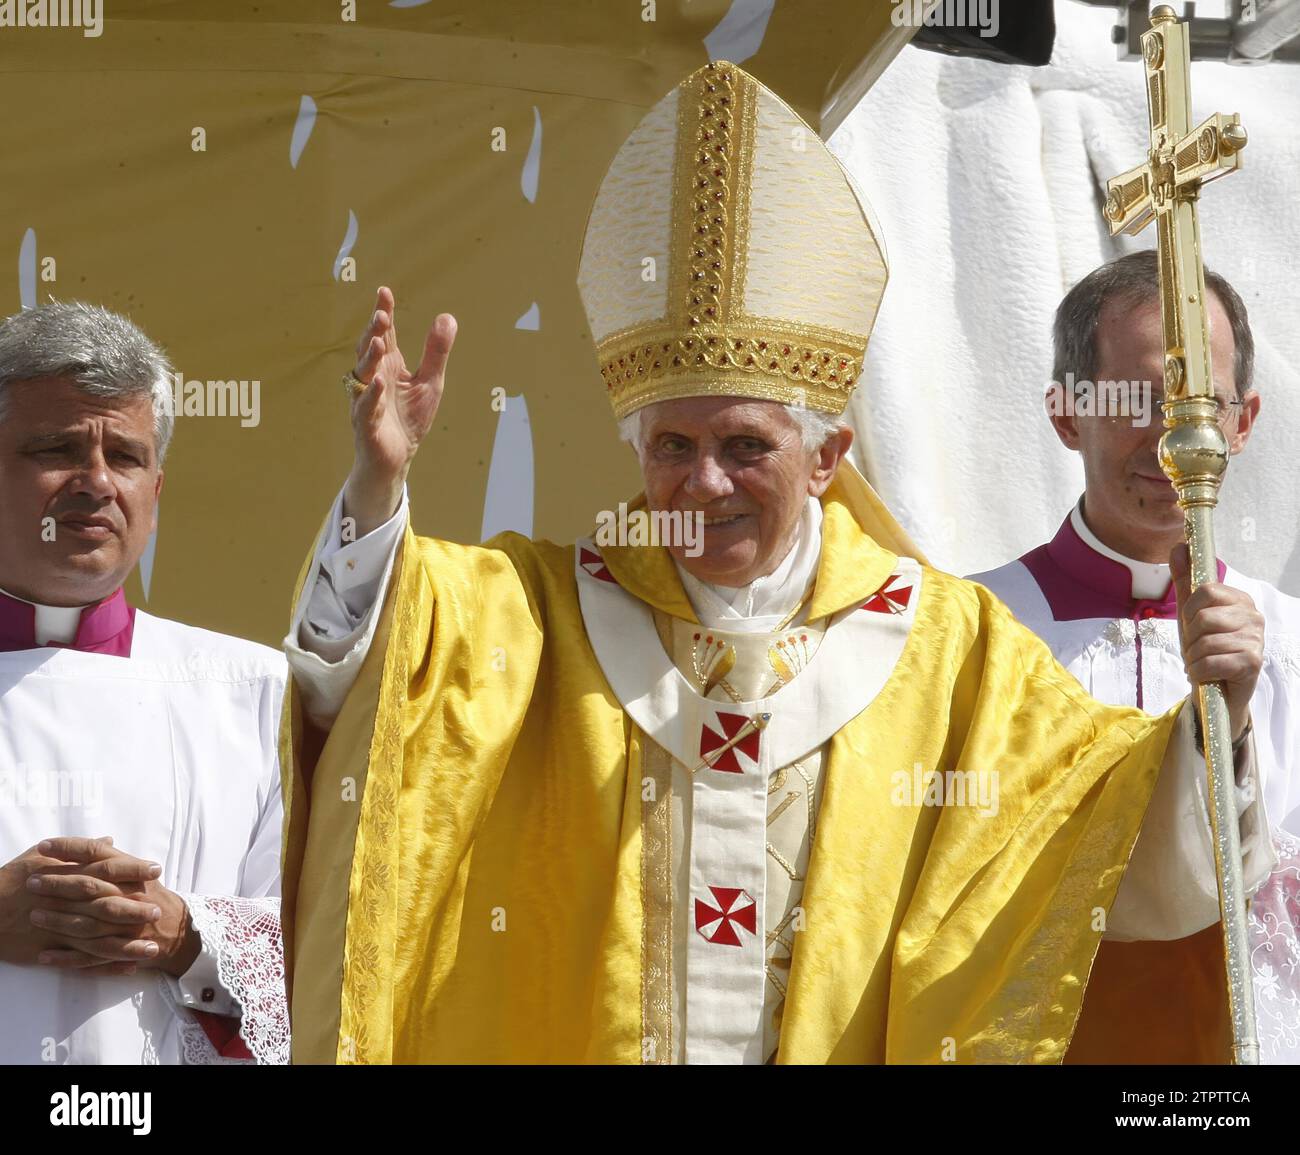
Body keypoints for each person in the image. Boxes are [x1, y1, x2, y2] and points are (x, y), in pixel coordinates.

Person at [281, 63, 1270, 1064]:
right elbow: (372, 679)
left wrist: (1213, 726)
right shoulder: (537, 620)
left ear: (827, 456)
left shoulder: (946, 650)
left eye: (746, 446)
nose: (704, 484)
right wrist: (376, 490)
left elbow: (1101, 842)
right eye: (673, 446)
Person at [972, 250, 1300, 1063]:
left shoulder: (1293, 641)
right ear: (1065, 412)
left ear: (1245, 421)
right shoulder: (968, 634)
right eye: (1135, 401)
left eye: (1202, 405)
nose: (1173, 440)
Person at [0, 301, 288, 1064]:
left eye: (125, 456)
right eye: (57, 447)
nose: (96, 482)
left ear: (155, 496)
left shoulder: (257, 691)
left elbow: (339, 950)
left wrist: (185, 933)